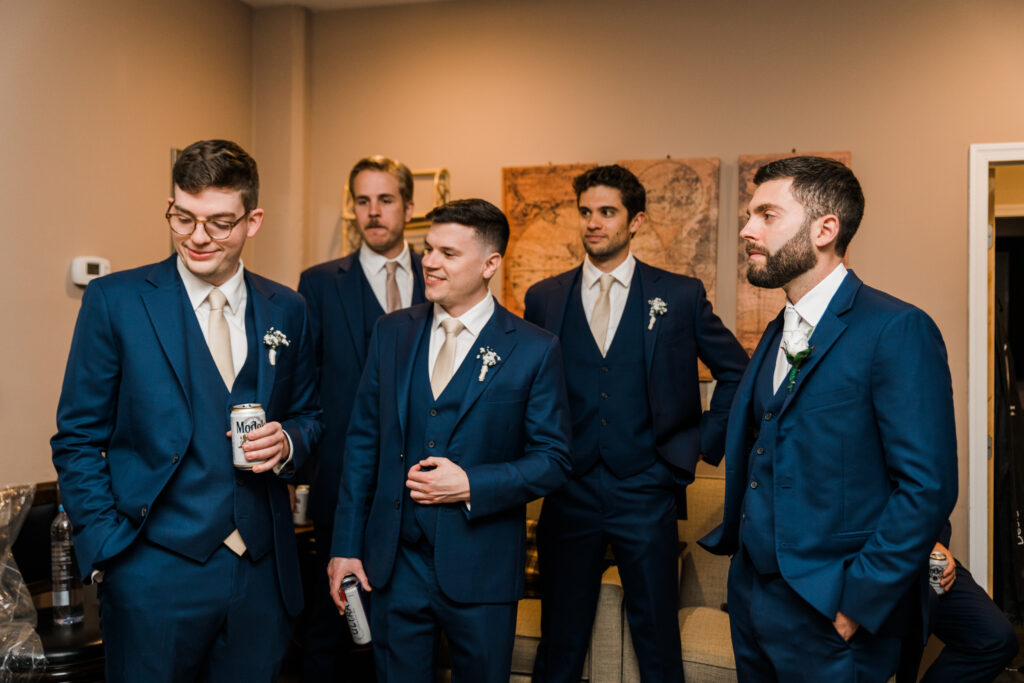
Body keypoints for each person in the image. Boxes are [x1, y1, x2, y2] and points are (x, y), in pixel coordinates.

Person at [51, 139, 322, 682]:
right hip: (150, 570)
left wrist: (290, 441)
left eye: (220, 222)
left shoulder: (288, 308)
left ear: (254, 220)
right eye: (183, 217)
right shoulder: (117, 301)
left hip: (261, 575)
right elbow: (78, 436)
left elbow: (312, 415)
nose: (198, 237)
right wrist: (109, 550)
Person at [699, 155, 958, 681]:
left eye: (767, 215)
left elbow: (926, 486)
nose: (748, 230)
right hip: (751, 599)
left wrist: (857, 605)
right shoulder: (776, 331)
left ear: (825, 229)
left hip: (833, 610)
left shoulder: (896, 328)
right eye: (750, 216)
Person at [328, 198, 573, 682]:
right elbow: (362, 446)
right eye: (428, 249)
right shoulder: (392, 332)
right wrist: (346, 546)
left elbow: (555, 459)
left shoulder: (534, 348)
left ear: (490, 264)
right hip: (392, 565)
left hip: (481, 568)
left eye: (448, 253)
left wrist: (472, 485)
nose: (430, 263)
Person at [523, 164, 748, 682]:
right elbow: (523, 387)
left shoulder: (680, 296)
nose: (593, 223)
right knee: (559, 639)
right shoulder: (545, 297)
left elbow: (739, 373)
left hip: (647, 489)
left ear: (637, 220)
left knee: (656, 639)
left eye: (607, 212)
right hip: (569, 488)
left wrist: (696, 446)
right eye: (585, 212)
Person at [297, 155, 425, 681]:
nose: (373, 212)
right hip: (342, 487)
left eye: (386, 200)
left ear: (409, 207)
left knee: (403, 629)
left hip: (420, 487)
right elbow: (302, 387)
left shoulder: (440, 271)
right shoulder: (320, 283)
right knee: (331, 629)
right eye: (363, 201)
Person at [896, 524, 1018, 683]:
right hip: (878, 559)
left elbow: (938, 512)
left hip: (928, 559)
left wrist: (935, 542)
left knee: (997, 639)